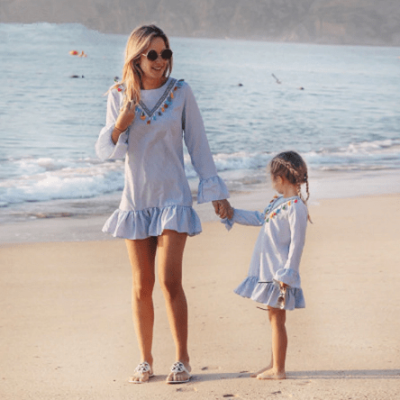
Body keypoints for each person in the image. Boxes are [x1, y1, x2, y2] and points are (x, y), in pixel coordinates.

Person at [95, 25, 233, 384]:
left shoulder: (181, 92)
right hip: (137, 200)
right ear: (136, 57)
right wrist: (121, 122)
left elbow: (198, 144)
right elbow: (110, 152)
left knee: (170, 280)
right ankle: (144, 359)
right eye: (153, 54)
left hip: (173, 197)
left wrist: (214, 189)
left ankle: (182, 358)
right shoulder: (119, 95)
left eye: (165, 53)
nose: (160, 61)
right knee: (142, 285)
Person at [221, 151, 310, 380]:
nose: (271, 182)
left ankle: (279, 369)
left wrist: (288, 273)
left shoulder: (296, 207)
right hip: (268, 270)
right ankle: (273, 364)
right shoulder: (278, 202)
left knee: (277, 320)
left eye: (272, 177)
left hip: (280, 273)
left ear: (280, 178)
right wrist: (232, 213)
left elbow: (297, 244)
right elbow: (259, 218)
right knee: (273, 319)